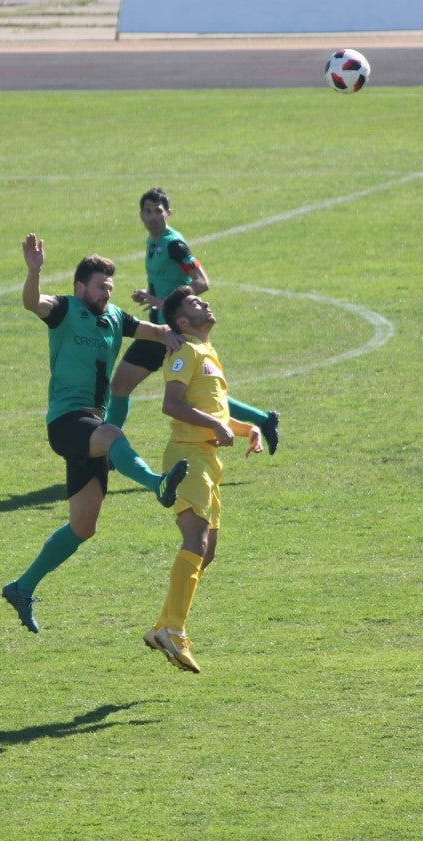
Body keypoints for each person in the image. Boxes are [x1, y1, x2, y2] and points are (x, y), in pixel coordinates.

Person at [1, 234, 190, 633]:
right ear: (79, 287)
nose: (107, 293)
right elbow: (32, 303)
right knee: (111, 436)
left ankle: (21, 587)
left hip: (90, 423)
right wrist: (34, 271)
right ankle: (158, 485)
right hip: (67, 421)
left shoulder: (114, 318)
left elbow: (147, 330)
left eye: (110, 287)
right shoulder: (65, 309)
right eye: (100, 286)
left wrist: (170, 334)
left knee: (83, 526)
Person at [106, 187, 281, 454]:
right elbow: (170, 282)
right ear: (141, 214)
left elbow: (201, 282)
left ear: (169, 214)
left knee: (124, 385)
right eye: (148, 211)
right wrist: (152, 296)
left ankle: (107, 449)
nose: (153, 217)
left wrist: (163, 303)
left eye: (159, 212)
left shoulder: (175, 245)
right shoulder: (153, 242)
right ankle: (263, 419)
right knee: (191, 390)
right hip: (161, 328)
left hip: (172, 331)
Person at [143, 286, 263, 673]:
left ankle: (162, 625)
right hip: (187, 458)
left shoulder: (208, 353)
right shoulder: (186, 352)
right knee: (194, 541)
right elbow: (172, 405)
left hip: (209, 460)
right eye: (196, 303)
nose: (205, 303)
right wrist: (214, 423)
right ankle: (175, 630)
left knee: (206, 551)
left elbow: (211, 411)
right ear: (181, 322)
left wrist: (246, 429)